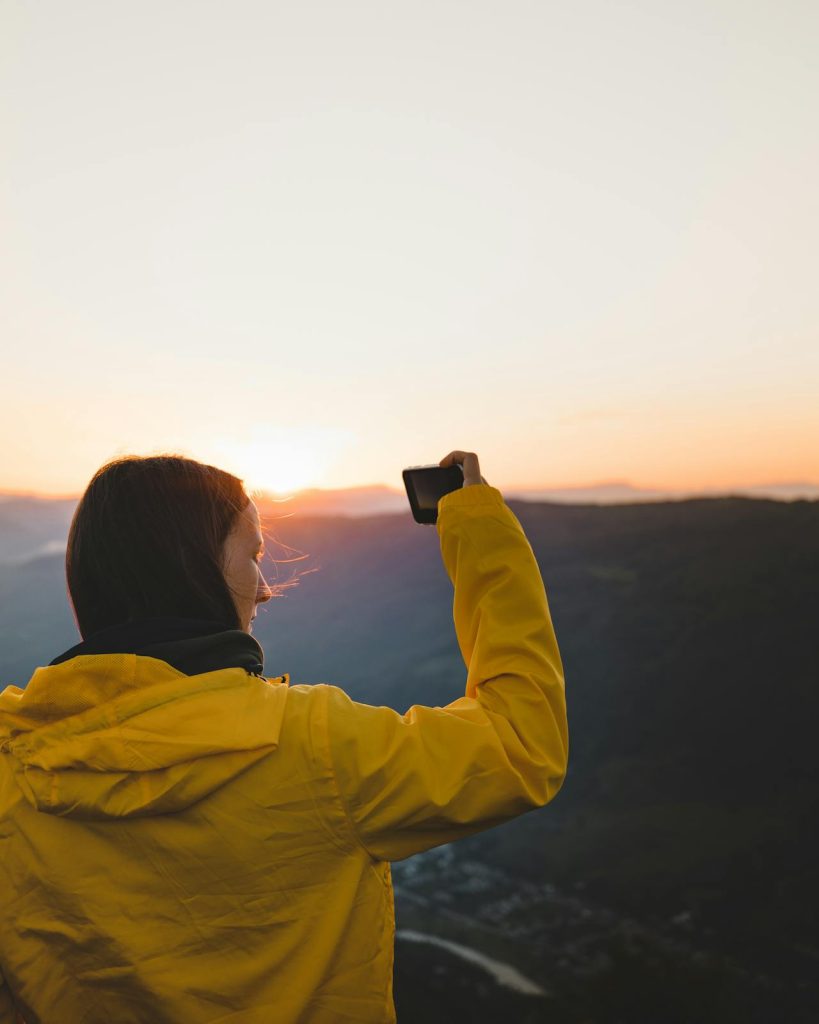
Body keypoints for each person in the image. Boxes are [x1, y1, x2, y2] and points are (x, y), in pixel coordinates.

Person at [0, 449, 568, 1023]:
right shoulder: (315, 745)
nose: (265, 589)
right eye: (253, 557)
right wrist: (478, 526)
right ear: (195, 570)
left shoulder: (11, 763)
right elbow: (520, 743)